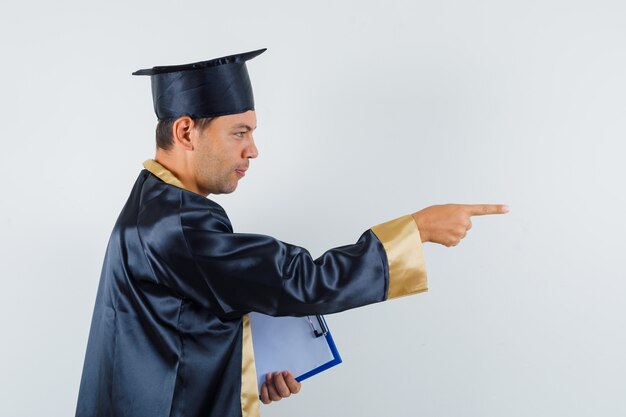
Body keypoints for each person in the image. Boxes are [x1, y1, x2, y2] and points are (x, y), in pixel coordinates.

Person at [75, 48, 508, 417]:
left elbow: (175, 329)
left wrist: (243, 369)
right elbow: (301, 282)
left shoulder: (152, 201)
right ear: (186, 131)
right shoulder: (179, 226)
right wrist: (417, 230)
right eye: (239, 132)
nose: (253, 149)